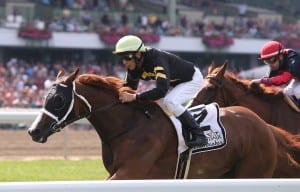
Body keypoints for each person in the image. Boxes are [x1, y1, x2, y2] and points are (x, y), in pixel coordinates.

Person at [113, 35, 208, 147]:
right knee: (155, 106)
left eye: (127, 57)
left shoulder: (156, 59)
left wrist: (135, 97)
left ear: (138, 54)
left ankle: (200, 135)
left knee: (170, 102)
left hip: (191, 79)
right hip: (173, 84)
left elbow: (161, 90)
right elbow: (129, 89)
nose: (124, 62)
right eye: (122, 58)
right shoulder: (134, 66)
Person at [252, 40, 300, 106]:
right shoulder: (275, 64)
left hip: (297, 81)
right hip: (297, 80)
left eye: (271, 60)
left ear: (280, 56)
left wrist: (261, 80)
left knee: (297, 91)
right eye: (266, 61)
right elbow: (268, 84)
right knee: (285, 93)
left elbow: (284, 79)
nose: (270, 64)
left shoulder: (292, 59)